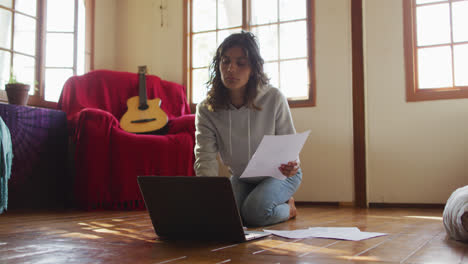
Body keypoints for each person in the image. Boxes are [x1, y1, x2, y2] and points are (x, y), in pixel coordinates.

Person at [194, 31, 303, 227]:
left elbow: (290, 148)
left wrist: (292, 164)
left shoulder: (274, 97)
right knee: (227, 216)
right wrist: (206, 197)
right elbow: (205, 157)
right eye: (225, 61)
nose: (230, 69)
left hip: (280, 176)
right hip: (242, 177)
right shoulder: (206, 109)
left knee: (254, 214)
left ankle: (289, 208)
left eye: (240, 63)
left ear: (253, 68)